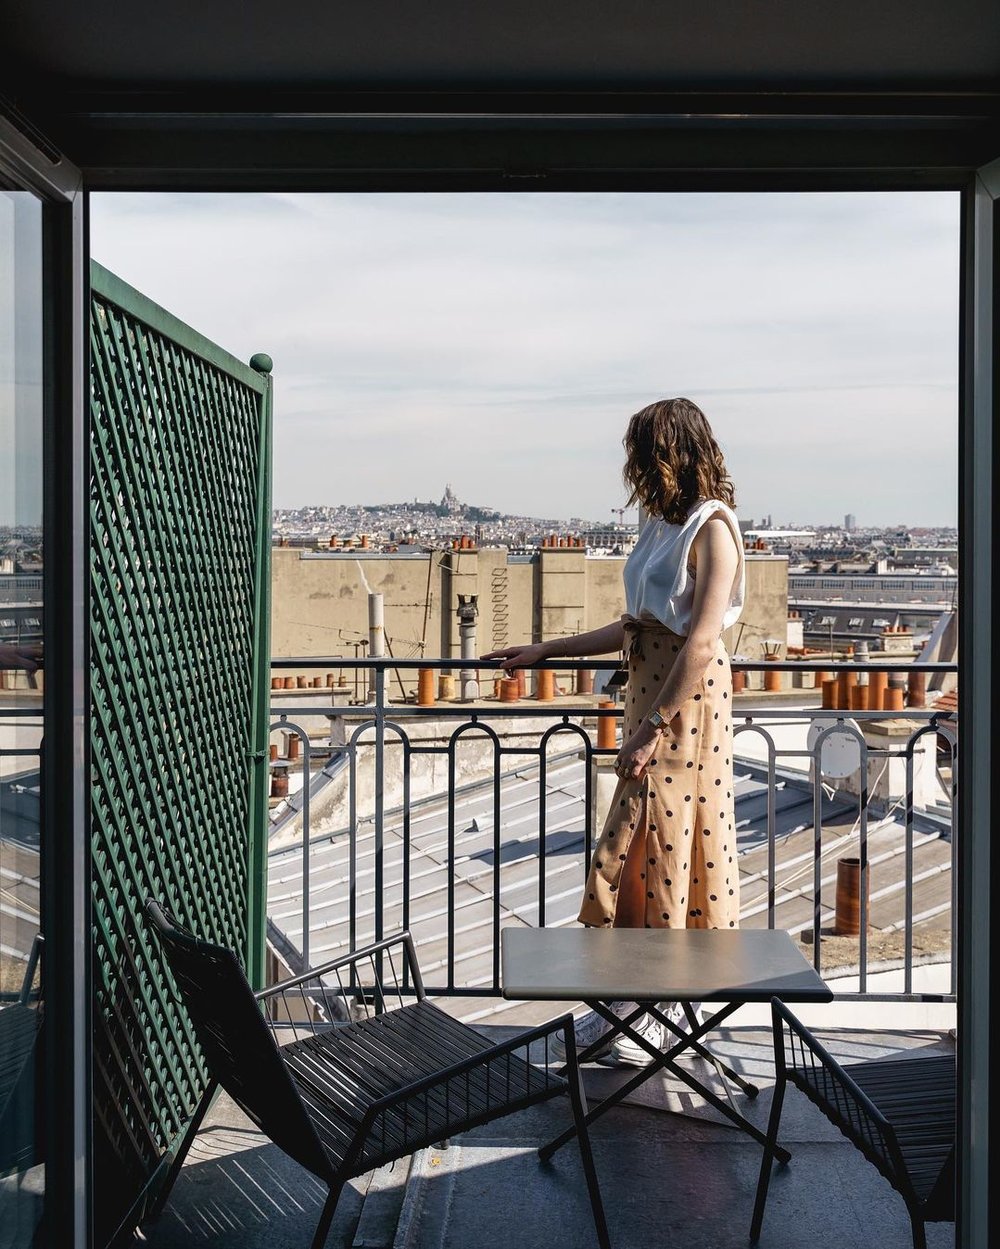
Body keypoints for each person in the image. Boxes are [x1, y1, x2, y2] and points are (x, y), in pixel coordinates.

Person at [483, 397, 745, 1065]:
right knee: (640, 849)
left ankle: (665, 1008)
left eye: (643, 452)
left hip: (684, 713)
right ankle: (635, 1004)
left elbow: (704, 640)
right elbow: (633, 624)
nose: (634, 468)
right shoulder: (662, 524)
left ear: (671, 452)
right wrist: (547, 649)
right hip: (651, 700)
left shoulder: (713, 528)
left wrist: (655, 725)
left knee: (670, 843)